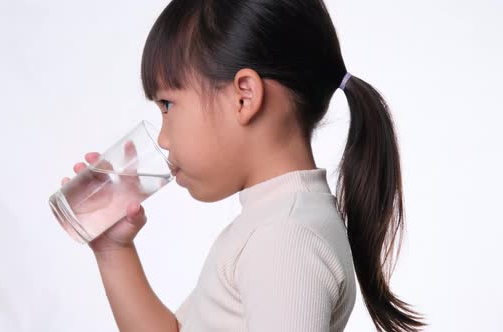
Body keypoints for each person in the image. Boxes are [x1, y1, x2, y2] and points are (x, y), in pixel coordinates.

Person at [61, 0, 426, 331]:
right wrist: (114, 250)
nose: (163, 139)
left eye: (168, 106)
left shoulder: (284, 239)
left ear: (244, 96)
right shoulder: (275, 223)